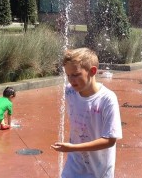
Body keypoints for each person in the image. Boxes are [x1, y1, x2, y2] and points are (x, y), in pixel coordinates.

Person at [51, 48, 123, 178]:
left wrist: (73, 147)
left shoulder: (107, 99)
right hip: (74, 165)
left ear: (92, 71)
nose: (71, 80)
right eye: (68, 75)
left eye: (76, 74)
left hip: (99, 170)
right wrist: (73, 149)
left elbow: (110, 140)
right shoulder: (70, 91)